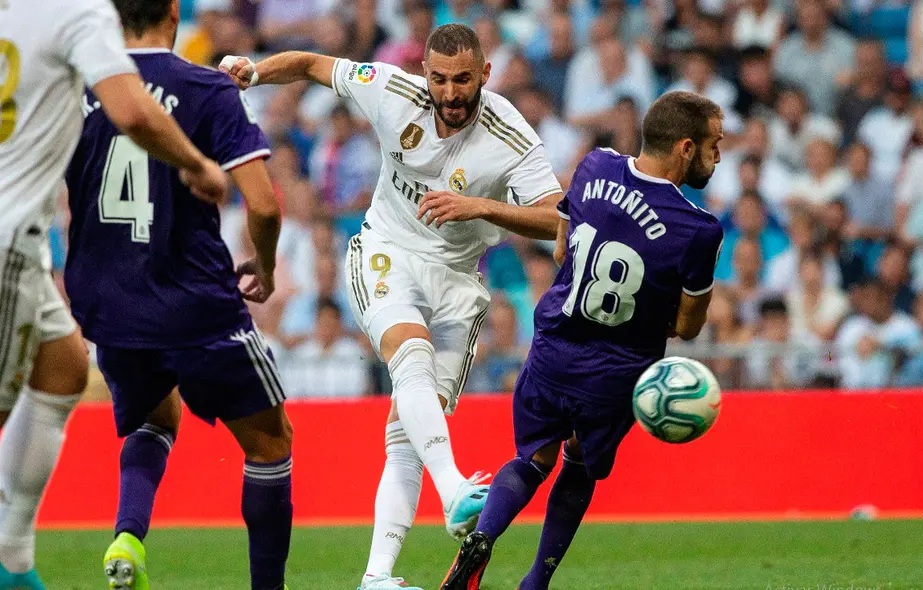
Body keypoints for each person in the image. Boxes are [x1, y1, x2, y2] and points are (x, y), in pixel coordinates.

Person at [220, 23, 564, 590]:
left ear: (484, 74)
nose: (450, 93)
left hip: (457, 280)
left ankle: (376, 577)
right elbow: (310, 63)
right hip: (386, 250)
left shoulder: (510, 134)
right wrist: (256, 72)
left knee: (406, 435)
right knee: (411, 357)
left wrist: (477, 206)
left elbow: (557, 214)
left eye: (462, 80)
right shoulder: (390, 89)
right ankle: (453, 488)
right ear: (423, 74)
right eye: (438, 79)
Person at [440, 91, 725, 590]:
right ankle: (536, 581)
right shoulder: (699, 229)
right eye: (713, 145)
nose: (717, 156)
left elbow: (560, 252)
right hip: (617, 372)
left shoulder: (596, 167)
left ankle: (482, 539)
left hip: (553, 347)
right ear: (685, 147)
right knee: (577, 466)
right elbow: (687, 325)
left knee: (531, 460)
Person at [63, 1, 290, 588]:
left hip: (111, 305)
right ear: (172, 12)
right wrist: (263, 267)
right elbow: (263, 204)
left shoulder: (79, 89)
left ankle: (127, 538)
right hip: (197, 305)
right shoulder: (206, 87)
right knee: (270, 445)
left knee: (155, 417)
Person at [0, 0, 225, 586]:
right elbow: (135, 113)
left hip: (27, 237)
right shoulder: (79, 13)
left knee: (63, 367)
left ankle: (12, 559)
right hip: (6, 238)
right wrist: (198, 164)